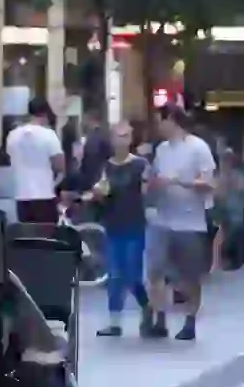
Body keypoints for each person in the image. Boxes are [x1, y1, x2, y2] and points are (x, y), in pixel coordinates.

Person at [143, 105, 216, 340]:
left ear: (172, 120)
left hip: (190, 222)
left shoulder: (198, 148)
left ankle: (190, 321)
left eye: (160, 121)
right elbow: (154, 179)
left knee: (189, 276)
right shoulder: (161, 150)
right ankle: (160, 319)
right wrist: (153, 185)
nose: (158, 126)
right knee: (156, 271)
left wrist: (181, 181)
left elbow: (210, 183)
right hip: (163, 219)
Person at [92, 121, 150, 336]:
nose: (121, 140)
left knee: (132, 274)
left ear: (131, 139)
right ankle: (114, 321)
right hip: (113, 223)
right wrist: (98, 193)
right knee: (115, 274)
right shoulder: (107, 166)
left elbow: (147, 192)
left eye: (125, 136)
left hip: (135, 224)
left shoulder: (140, 165)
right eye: (118, 136)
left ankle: (147, 305)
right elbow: (102, 187)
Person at [7, 97, 65, 224]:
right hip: (44, 195)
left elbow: (12, 159)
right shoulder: (48, 134)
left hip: (21, 195)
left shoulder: (13, 135)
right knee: (46, 238)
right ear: (45, 113)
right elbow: (60, 165)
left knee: (27, 238)